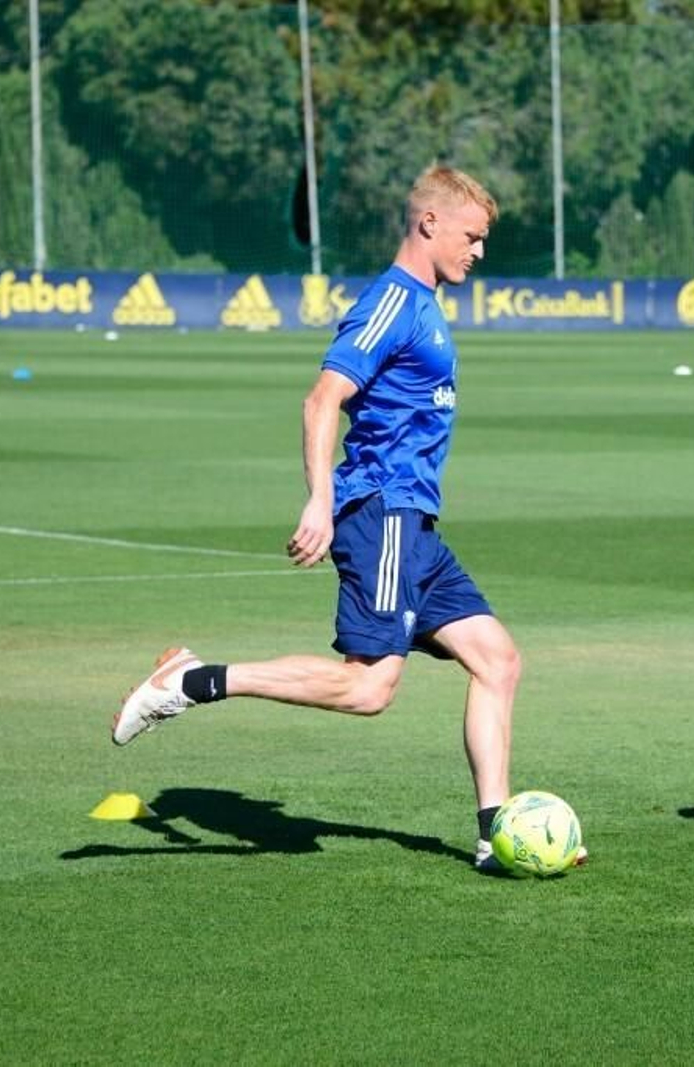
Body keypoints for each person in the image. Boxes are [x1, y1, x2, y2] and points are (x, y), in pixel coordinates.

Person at [111, 165, 536, 874]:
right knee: (368, 688)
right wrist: (320, 498)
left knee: (499, 661)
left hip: (414, 524)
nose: (480, 251)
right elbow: (322, 398)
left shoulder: (424, 303)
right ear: (429, 223)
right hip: (384, 511)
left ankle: (497, 835)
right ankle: (192, 681)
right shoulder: (392, 302)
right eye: (472, 236)